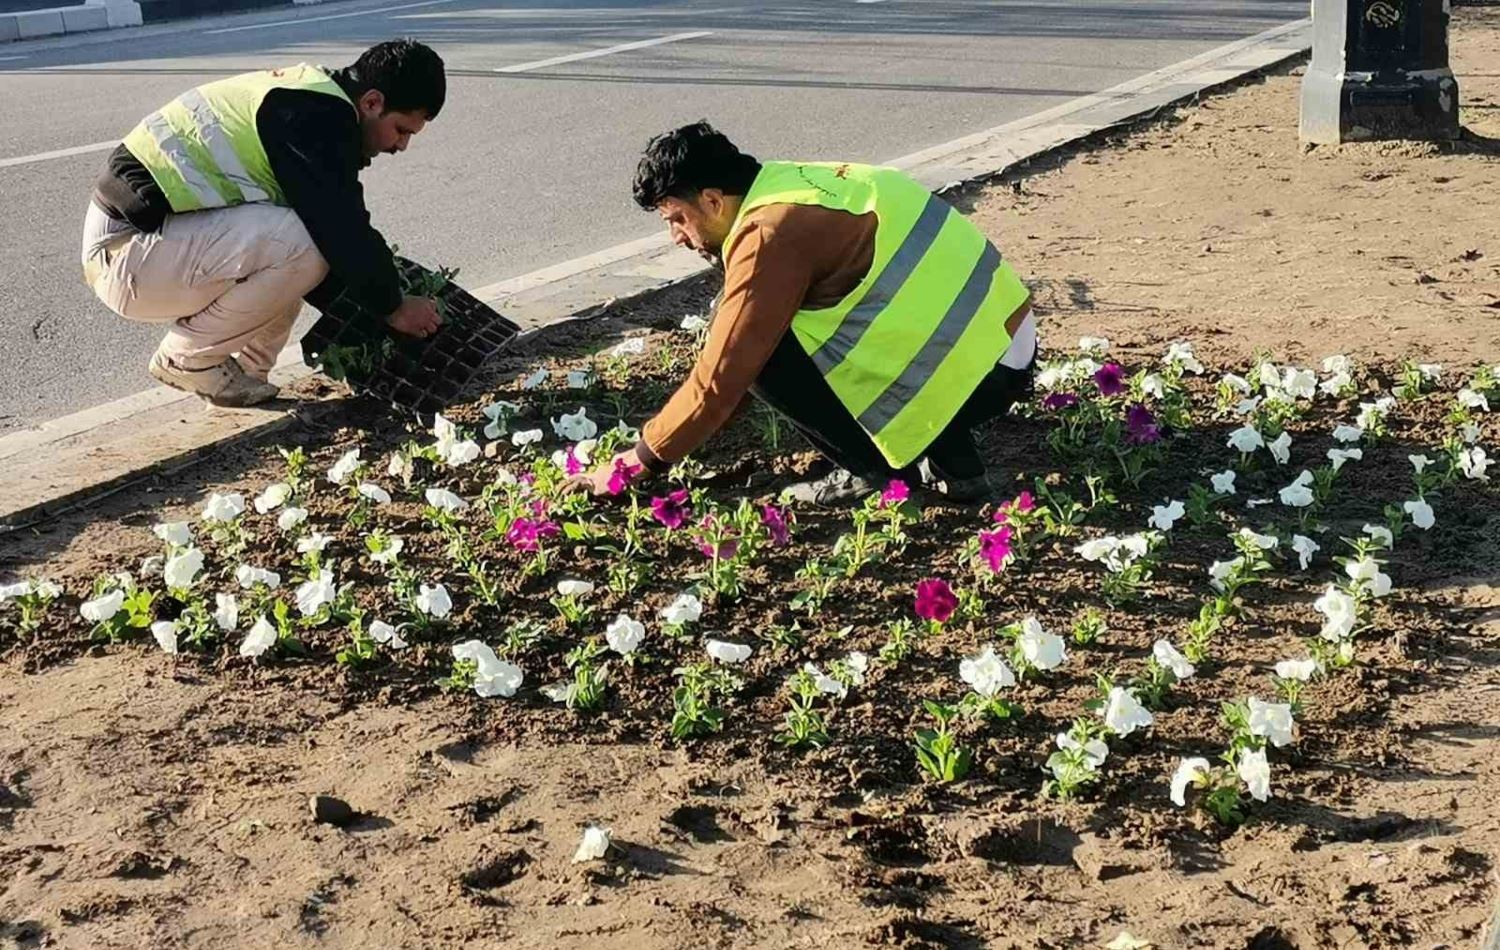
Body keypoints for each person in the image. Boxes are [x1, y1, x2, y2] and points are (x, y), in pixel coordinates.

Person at [570, 121, 1037, 504]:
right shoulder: (793, 183)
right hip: (1000, 345)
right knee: (802, 325)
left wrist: (639, 460)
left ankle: (878, 477)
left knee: (764, 355)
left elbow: (722, 378)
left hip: (979, 375)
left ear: (712, 201)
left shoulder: (770, 235)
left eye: (676, 219)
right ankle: (959, 466)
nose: (676, 237)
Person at [81, 38, 447, 407]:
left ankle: (244, 375)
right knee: (305, 245)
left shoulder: (315, 97)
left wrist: (377, 303)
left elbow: (334, 235)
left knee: (300, 247)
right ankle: (188, 359)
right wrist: (394, 306)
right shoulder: (313, 116)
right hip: (125, 253)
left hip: (150, 247)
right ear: (372, 102)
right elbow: (341, 228)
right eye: (402, 130)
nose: (401, 147)